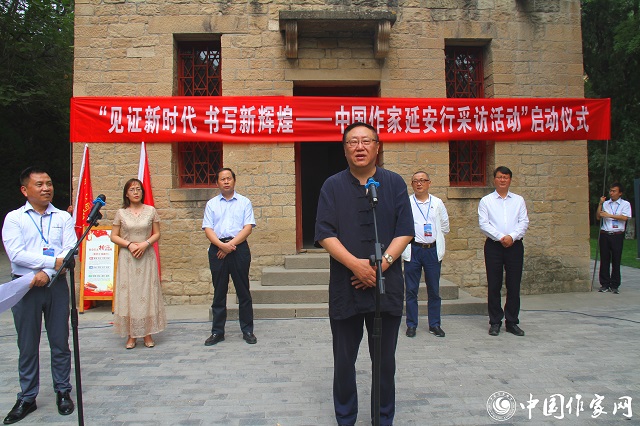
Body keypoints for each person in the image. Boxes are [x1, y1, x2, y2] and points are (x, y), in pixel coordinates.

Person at [315, 122, 414, 426]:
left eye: (366, 141)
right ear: (345, 149)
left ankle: (382, 419)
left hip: (386, 287)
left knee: (385, 363)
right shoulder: (332, 186)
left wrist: (381, 264)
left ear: (377, 146)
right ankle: (346, 418)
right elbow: (325, 233)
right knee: (344, 362)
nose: (359, 147)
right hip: (346, 287)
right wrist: (356, 266)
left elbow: (405, 230)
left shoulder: (394, 183)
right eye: (352, 142)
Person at [1, 166, 77, 424]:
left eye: (49, 183)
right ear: (25, 190)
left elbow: (69, 249)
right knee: (27, 344)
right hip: (25, 287)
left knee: (60, 341)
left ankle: (63, 390)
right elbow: (16, 254)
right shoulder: (15, 218)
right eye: (40, 184)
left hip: (56, 286)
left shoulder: (63, 218)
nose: (46, 188)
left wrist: (47, 272)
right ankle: (27, 396)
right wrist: (51, 263)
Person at [202, 168, 257, 346]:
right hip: (217, 249)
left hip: (239, 249)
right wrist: (221, 246)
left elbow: (247, 228)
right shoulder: (211, 204)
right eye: (222, 179)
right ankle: (217, 332)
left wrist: (229, 246)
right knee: (219, 292)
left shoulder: (244, 202)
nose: (226, 182)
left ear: (234, 180)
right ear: (217, 183)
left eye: (229, 178)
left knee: (243, 291)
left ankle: (247, 330)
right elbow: (208, 229)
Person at [110, 178, 166, 349]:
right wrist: (129, 245)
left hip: (146, 255)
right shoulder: (121, 213)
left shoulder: (150, 211)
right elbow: (113, 236)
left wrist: (145, 244)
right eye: (132, 190)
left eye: (138, 189)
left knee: (146, 293)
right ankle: (131, 335)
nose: (136, 192)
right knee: (129, 294)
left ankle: (148, 333)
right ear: (126, 194)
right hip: (128, 257)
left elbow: (157, 233)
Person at [478, 166, 529, 337]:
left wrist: (512, 237)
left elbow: (524, 222)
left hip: (515, 246)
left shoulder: (518, 200)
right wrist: (501, 237)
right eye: (500, 177)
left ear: (510, 180)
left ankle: (512, 321)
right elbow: (484, 224)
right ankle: (495, 322)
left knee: (514, 285)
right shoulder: (486, 201)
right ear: (494, 179)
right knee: (494, 284)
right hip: (494, 246)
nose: (502, 180)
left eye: (506, 177)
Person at [402, 171, 449, 338]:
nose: (419, 183)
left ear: (429, 183)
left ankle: (434, 324)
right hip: (413, 249)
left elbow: (445, 226)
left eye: (422, 180)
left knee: (434, 290)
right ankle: (411, 324)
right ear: (412, 184)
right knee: (411, 290)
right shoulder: (407, 203)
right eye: (415, 181)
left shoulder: (437, 203)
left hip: (431, 250)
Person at [596, 182, 632, 294]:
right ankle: (605, 283)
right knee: (604, 259)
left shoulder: (625, 204)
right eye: (610, 191)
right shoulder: (606, 203)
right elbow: (598, 216)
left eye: (614, 191)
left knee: (616, 259)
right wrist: (600, 204)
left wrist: (609, 215)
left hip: (617, 234)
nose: (611, 193)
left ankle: (615, 284)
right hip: (605, 233)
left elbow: (625, 217)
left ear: (620, 193)